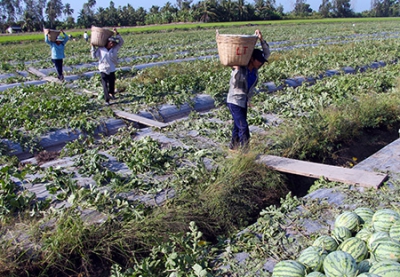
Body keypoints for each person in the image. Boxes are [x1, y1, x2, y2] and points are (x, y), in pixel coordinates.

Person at [227, 29, 270, 152]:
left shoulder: (255, 69)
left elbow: (266, 54)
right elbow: (234, 81)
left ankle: (233, 148)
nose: (261, 62)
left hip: (243, 101)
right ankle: (245, 153)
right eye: (258, 60)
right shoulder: (241, 69)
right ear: (251, 59)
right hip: (234, 101)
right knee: (243, 127)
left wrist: (261, 39)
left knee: (237, 126)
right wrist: (236, 69)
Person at [90, 28, 124, 105]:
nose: (112, 45)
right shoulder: (101, 49)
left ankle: (111, 93)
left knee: (112, 83)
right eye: (111, 43)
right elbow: (94, 56)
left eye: (114, 43)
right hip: (103, 68)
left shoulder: (114, 49)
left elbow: (121, 42)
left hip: (111, 68)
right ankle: (107, 100)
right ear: (108, 42)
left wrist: (117, 33)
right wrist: (92, 47)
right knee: (104, 84)